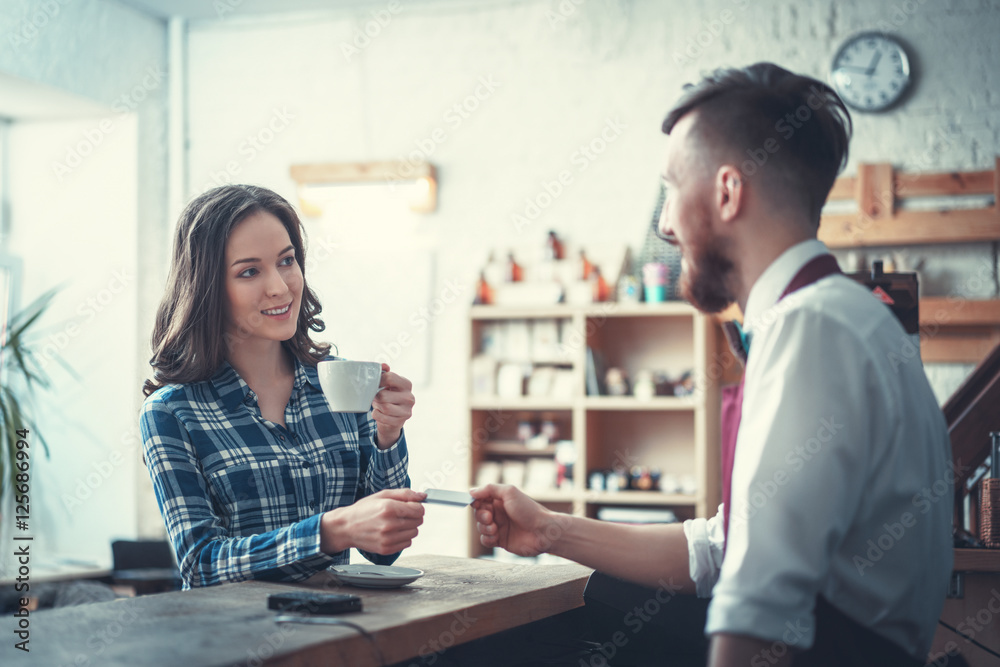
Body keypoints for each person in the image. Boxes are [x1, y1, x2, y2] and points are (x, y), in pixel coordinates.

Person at [472, 63, 953, 666]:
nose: (664, 224)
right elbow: (726, 548)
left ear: (727, 191)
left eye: (672, 188)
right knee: (585, 599)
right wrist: (550, 531)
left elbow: (758, 602)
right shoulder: (841, 319)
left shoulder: (812, 329)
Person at [140, 184, 425, 589]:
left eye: (287, 261)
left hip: (339, 631)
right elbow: (201, 564)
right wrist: (330, 530)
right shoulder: (172, 413)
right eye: (249, 271)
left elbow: (383, 552)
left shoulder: (339, 384)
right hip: (233, 643)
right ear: (207, 288)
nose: (280, 286)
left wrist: (388, 434)